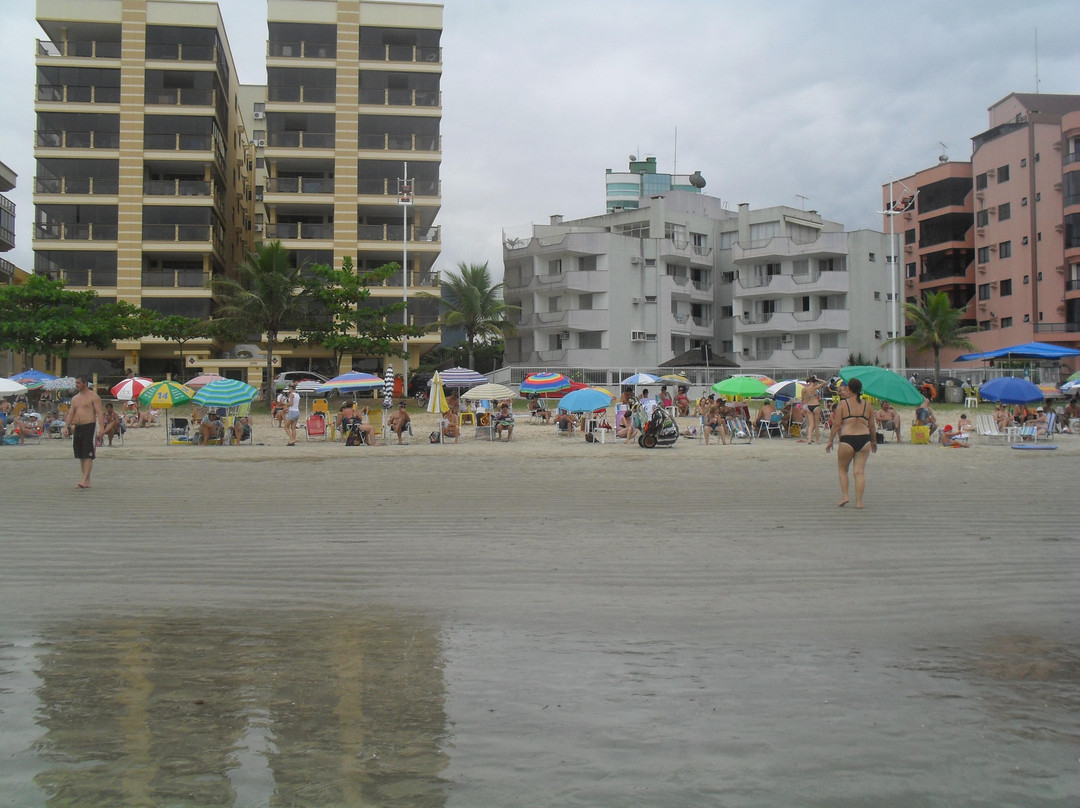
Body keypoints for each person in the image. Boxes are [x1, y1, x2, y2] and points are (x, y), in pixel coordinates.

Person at [825, 377, 876, 509]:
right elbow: (872, 427)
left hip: (847, 439)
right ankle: (859, 502)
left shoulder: (843, 404)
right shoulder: (867, 405)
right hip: (864, 439)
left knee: (842, 469)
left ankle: (845, 496)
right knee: (859, 472)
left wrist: (830, 441)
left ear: (849, 389)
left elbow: (836, 425)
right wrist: (874, 441)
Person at [62, 376, 103, 489]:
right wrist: (66, 426)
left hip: (89, 426)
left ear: (84, 383)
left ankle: (84, 480)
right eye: (76, 383)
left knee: (88, 454)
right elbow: (71, 413)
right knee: (81, 454)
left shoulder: (93, 396)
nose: (76, 385)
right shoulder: (75, 398)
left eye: (78, 383)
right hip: (78, 427)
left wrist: (102, 428)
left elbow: (99, 413)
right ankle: (87, 480)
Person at [801, 376, 826, 444]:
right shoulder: (815, 387)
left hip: (809, 406)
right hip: (815, 405)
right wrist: (817, 378)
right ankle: (817, 440)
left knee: (810, 424)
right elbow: (824, 382)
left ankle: (809, 439)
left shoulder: (805, 389)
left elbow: (803, 399)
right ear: (813, 382)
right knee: (816, 424)